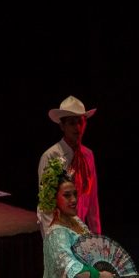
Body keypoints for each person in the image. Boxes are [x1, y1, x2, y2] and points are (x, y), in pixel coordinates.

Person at [38, 96, 101, 234]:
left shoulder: (88, 155)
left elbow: (92, 201)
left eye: (80, 122)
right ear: (62, 126)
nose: (77, 127)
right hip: (60, 231)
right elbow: (46, 204)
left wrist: (97, 237)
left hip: (81, 230)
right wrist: (52, 239)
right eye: (72, 123)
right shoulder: (52, 155)